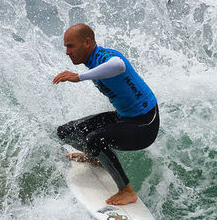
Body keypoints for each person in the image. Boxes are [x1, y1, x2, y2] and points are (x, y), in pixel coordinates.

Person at [53, 23, 160, 205]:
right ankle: (96, 157)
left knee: (94, 139)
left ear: (87, 42)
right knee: (65, 131)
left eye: (70, 46)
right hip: (123, 119)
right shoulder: (92, 61)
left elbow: (118, 65)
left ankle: (126, 191)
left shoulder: (105, 56)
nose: (67, 52)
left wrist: (78, 77)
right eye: (66, 47)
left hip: (144, 124)